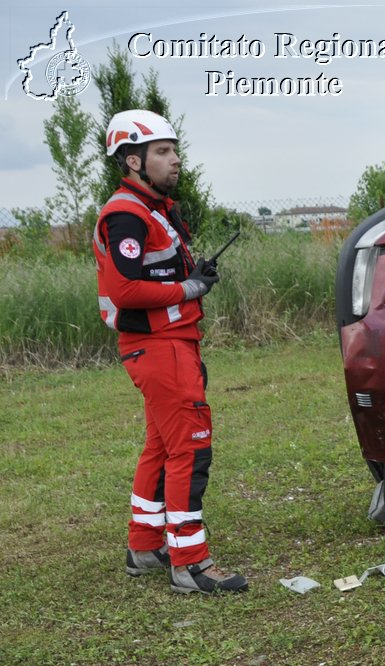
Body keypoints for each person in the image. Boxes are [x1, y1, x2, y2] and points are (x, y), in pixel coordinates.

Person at [95, 109, 246, 595]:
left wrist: (192, 276)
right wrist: (189, 288)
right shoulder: (127, 213)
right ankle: (190, 563)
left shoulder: (155, 209)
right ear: (134, 161)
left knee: (162, 445)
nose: (175, 159)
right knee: (190, 447)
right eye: (162, 151)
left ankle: (144, 547)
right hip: (158, 346)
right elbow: (124, 290)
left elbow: (156, 274)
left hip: (166, 344)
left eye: (174, 149)